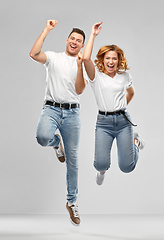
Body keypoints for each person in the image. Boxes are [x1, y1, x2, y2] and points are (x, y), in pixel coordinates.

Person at [29, 20, 87, 226]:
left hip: (72, 114)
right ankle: (56, 143)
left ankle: (71, 203)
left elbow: (80, 90)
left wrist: (80, 65)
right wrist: (46, 29)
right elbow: (34, 54)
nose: (74, 42)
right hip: (51, 108)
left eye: (79, 41)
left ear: (82, 45)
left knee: (73, 160)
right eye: (72, 38)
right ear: (67, 40)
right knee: (42, 137)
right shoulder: (53, 57)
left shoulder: (82, 64)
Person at [83, 22, 145, 186]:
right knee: (100, 164)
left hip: (124, 122)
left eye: (114, 58)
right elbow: (85, 58)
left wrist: (121, 107)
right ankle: (102, 171)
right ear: (102, 60)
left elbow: (131, 93)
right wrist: (93, 35)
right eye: (108, 58)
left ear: (119, 60)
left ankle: (135, 142)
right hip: (104, 124)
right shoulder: (95, 77)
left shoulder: (124, 76)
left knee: (127, 167)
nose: (111, 61)